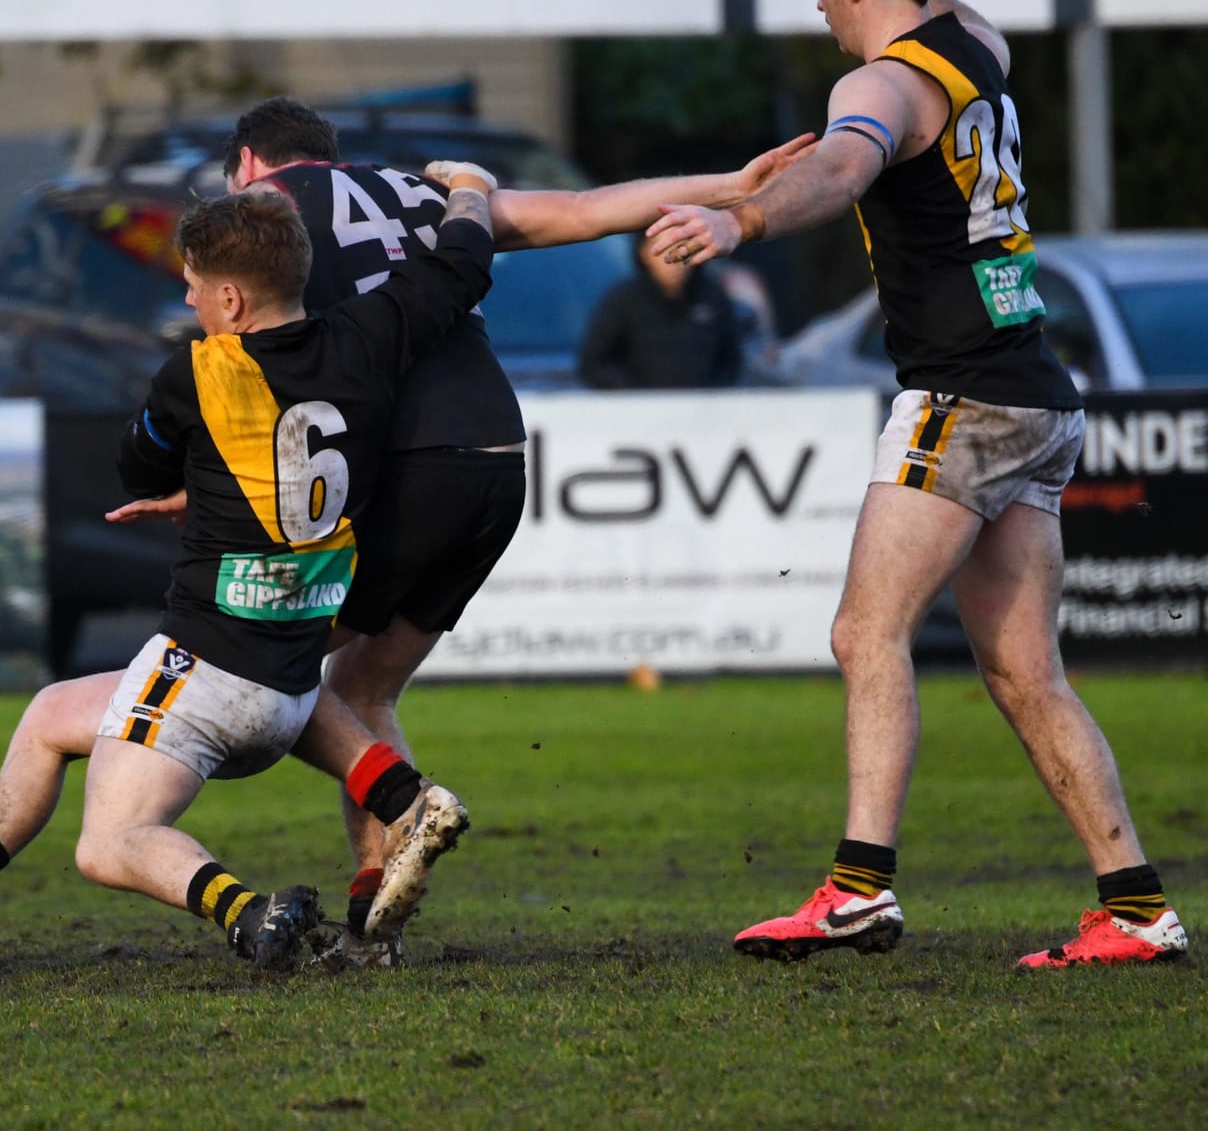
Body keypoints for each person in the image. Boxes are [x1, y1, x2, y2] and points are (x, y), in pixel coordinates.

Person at [646, 0, 1185, 968]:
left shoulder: (878, 82)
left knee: (862, 630)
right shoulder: (972, 47)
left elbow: (842, 164)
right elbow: (929, 1)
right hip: (1034, 388)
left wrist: (738, 215)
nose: (825, 18)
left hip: (962, 394)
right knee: (1025, 669)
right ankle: (1134, 907)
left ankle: (857, 888)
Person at [0, 175, 498, 972]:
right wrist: (471, 188)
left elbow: (136, 465)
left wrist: (187, 473)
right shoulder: (369, 337)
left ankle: (250, 912)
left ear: (233, 300)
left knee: (108, 844)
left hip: (206, 671)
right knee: (50, 715)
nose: (187, 293)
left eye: (195, 282)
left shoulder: (196, 374)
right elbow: (461, 265)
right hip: (290, 680)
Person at [218, 96, 815, 963]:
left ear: (247, 165)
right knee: (361, 688)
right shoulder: (425, 196)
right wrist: (730, 184)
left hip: (410, 466)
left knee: (264, 655)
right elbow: (584, 211)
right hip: (496, 459)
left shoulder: (266, 217)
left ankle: (398, 804)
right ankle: (369, 921)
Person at [577, 235, 745, 390]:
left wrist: (711, 397)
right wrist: (634, 396)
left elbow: (731, 362)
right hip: (638, 415)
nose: (675, 259)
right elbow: (594, 363)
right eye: (663, 249)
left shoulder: (713, 299)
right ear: (644, 253)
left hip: (702, 414)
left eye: (683, 248)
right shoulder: (623, 301)